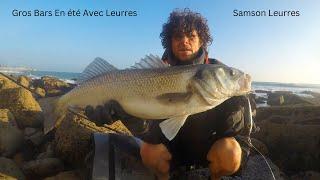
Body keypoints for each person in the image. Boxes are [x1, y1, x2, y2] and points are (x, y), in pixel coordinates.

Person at [86, 9, 254, 180]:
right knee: (148, 152)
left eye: (191, 36)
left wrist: (236, 116)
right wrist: (125, 116)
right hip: (170, 149)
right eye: (178, 37)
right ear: (170, 42)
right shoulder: (156, 70)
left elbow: (239, 135)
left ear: (201, 40)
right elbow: (153, 130)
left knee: (231, 154)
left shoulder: (217, 71)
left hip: (205, 149)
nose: (184, 41)